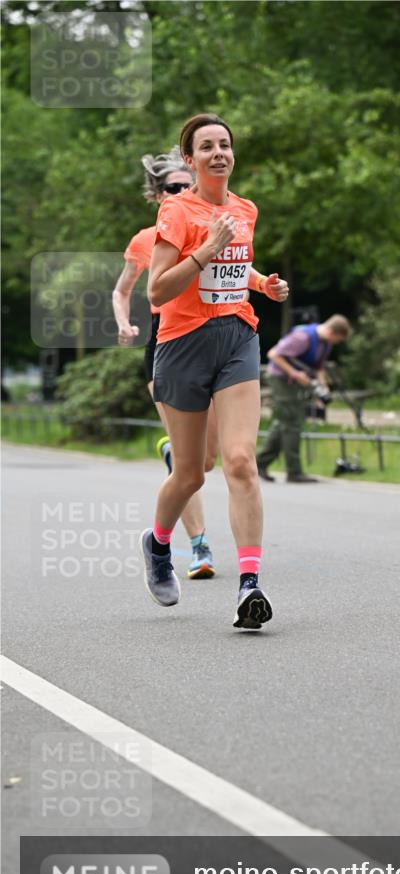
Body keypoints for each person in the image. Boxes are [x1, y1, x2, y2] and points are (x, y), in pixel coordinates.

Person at [141, 113, 289, 629]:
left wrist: (260, 285)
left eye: (225, 144)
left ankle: (250, 584)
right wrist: (204, 250)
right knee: (189, 472)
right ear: (190, 159)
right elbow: (157, 291)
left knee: (241, 462)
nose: (218, 153)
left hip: (237, 339)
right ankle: (159, 545)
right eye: (207, 147)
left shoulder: (246, 208)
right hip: (182, 346)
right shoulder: (177, 211)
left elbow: (234, 263)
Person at [112, 147, 218, 580]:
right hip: (164, 345)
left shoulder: (209, 225)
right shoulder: (144, 239)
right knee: (189, 469)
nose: (182, 193)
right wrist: (124, 324)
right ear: (158, 195)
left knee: (206, 462)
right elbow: (123, 291)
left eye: (186, 186)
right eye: (174, 187)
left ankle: (173, 449)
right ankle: (198, 546)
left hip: (207, 339)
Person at [256, 315, 352, 483]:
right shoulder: (302, 337)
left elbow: (319, 367)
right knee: (293, 422)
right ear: (332, 331)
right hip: (281, 379)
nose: (335, 343)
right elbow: (274, 354)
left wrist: (323, 386)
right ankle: (294, 471)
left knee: (286, 421)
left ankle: (260, 463)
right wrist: (295, 374)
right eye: (336, 339)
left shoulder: (325, 343)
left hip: (297, 382)